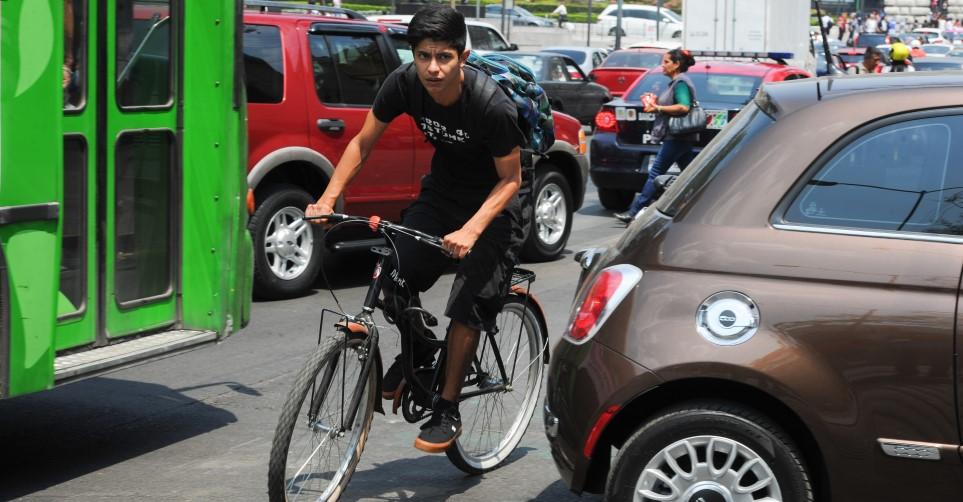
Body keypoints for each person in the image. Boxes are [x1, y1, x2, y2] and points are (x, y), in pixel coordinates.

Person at [305, 5, 526, 453]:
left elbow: (512, 179)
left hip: (496, 205)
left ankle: (447, 408)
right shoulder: (404, 83)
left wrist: (471, 230)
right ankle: (421, 350)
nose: (433, 67)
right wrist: (329, 197)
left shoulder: (490, 106)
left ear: (462, 56)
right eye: (424, 55)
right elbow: (362, 142)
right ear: (413, 54)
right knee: (393, 268)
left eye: (444, 56)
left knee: (466, 303)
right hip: (443, 193)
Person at [614, 48, 698, 223]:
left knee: (656, 173)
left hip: (677, 137)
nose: (663, 65)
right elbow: (673, 103)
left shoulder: (681, 83)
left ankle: (634, 211)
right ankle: (703, 204)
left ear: (677, 64)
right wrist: (654, 100)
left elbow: (683, 107)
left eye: (667, 62)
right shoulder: (675, 83)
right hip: (679, 137)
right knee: (692, 175)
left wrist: (658, 108)